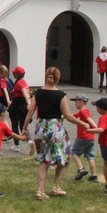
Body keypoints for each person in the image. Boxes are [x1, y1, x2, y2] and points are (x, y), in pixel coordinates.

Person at [23, 67, 89, 200]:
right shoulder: (61, 95)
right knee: (64, 157)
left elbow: (30, 111)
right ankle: (56, 187)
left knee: (44, 159)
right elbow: (68, 116)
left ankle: (40, 190)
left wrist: (25, 128)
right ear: (58, 78)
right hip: (55, 128)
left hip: (41, 127)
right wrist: (83, 124)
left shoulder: (38, 92)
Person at [69, 94, 99, 183]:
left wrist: (95, 127)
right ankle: (94, 176)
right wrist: (63, 116)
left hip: (82, 137)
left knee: (74, 152)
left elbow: (89, 120)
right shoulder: (82, 111)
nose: (75, 104)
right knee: (90, 156)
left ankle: (81, 169)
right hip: (90, 138)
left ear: (81, 102)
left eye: (76, 102)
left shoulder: (83, 111)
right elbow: (72, 116)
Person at [7, 66, 34, 155]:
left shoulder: (19, 83)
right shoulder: (24, 82)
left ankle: (16, 145)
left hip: (17, 106)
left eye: (14, 73)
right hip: (23, 106)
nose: (13, 74)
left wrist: (29, 103)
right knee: (23, 125)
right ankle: (29, 141)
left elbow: (24, 93)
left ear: (17, 74)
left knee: (14, 125)